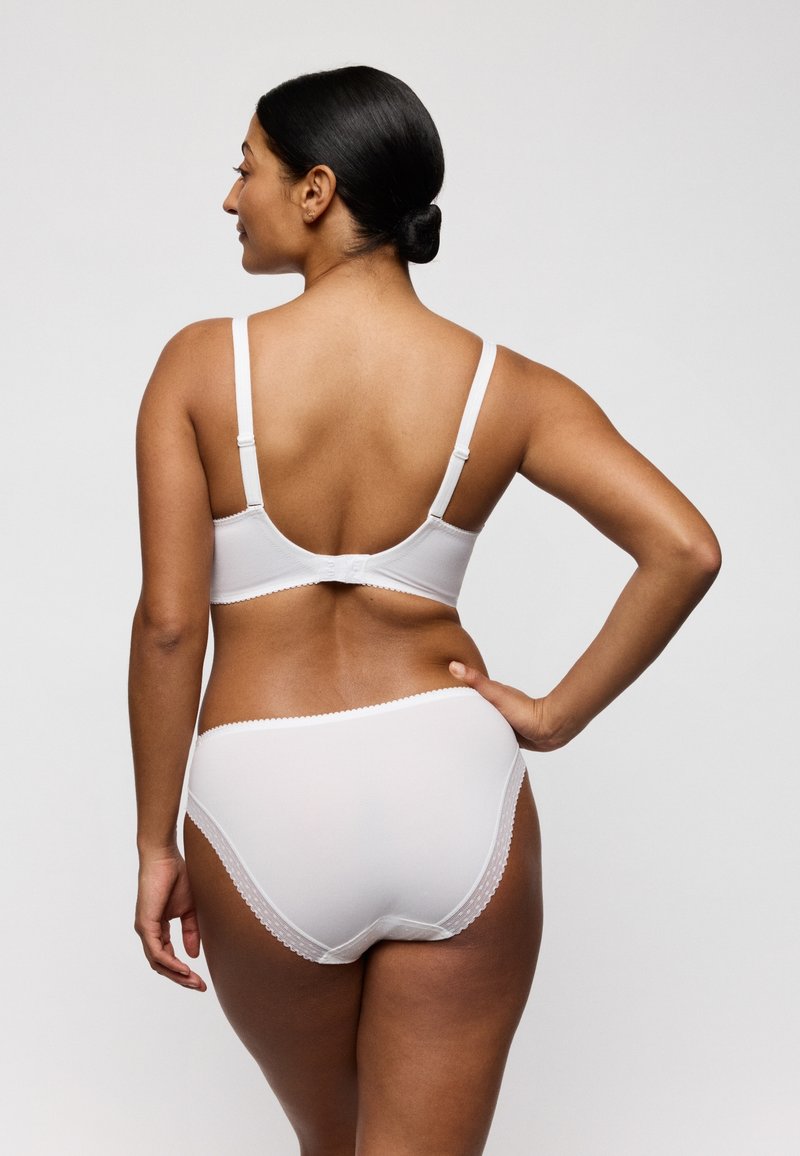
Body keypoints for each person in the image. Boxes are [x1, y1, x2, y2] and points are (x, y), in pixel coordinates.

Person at [129, 64, 721, 1155]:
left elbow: (170, 625)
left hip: (264, 790)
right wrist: (550, 716)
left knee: (334, 1142)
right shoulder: (505, 384)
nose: (230, 197)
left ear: (315, 190)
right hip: (453, 782)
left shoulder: (201, 366)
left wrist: (155, 839)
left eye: (246, 169)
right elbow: (683, 548)